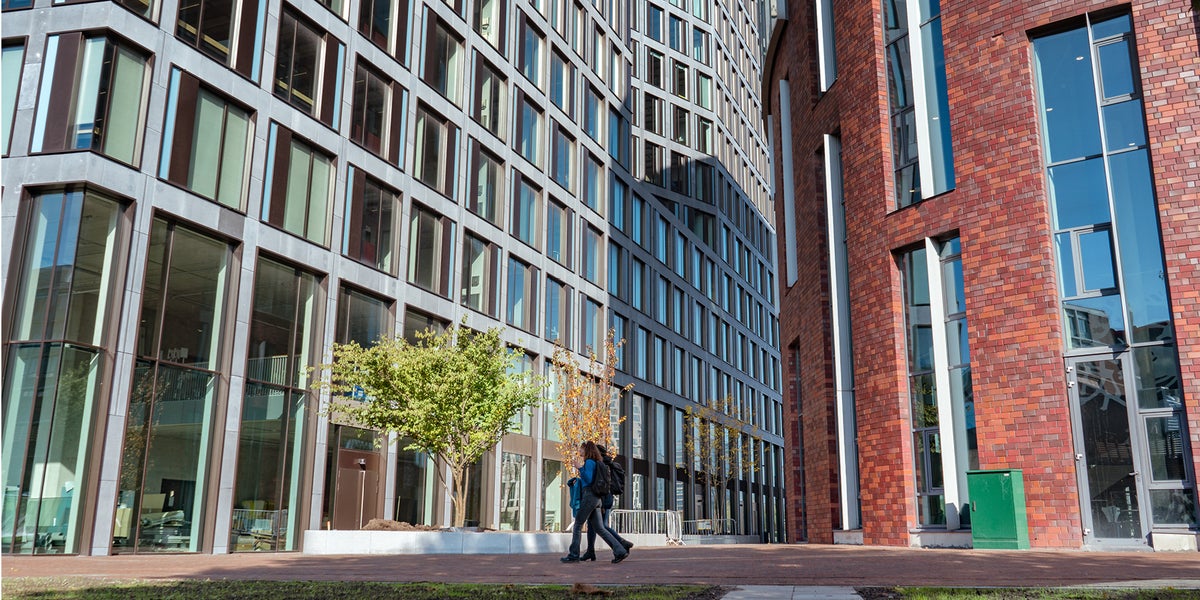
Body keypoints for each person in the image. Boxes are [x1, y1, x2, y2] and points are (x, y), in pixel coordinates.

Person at [561, 441, 629, 564]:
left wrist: (580, 468)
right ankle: (620, 551)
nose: (580, 451)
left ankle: (573, 555)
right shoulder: (597, 462)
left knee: (578, 525)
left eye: (582, 449)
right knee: (600, 528)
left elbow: (588, 479)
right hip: (597, 499)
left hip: (589, 497)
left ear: (587, 450)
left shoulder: (589, 462)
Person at [583, 445, 633, 559]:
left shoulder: (600, 464)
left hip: (602, 498)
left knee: (601, 526)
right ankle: (590, 551)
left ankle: (621, 544)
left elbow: (601, 484)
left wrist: (601, 503)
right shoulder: (608, 463)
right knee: (592, 525)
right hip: (607, 497)